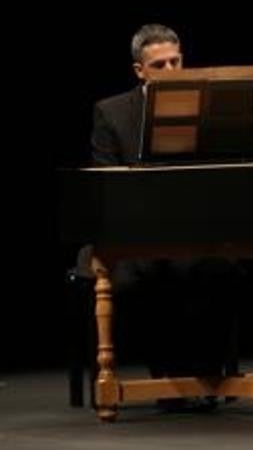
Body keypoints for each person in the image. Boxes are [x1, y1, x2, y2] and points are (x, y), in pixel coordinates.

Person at [87, 23, 240, 409]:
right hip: (134, 234)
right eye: (160, 64)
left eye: (177, 60)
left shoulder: (206, 104)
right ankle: (169, 382)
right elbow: (105, 181)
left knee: (218, 267)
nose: (172, 70)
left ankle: (207, 378)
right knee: (144, 275)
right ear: (141, 70)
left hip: (192, 229)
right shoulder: (112, 112)